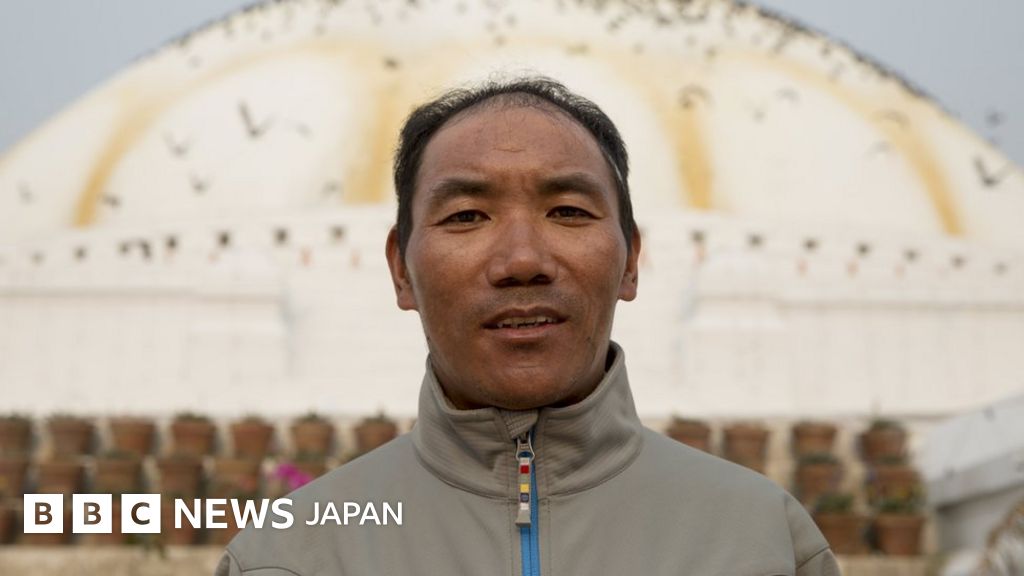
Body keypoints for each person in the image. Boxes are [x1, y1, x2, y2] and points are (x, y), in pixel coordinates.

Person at [216, 76, 840, 575]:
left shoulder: (761, 542)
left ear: (630, 261)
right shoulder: (290, 556)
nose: (521, 261)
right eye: (466, 215)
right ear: (401, 270)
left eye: (568, 210)